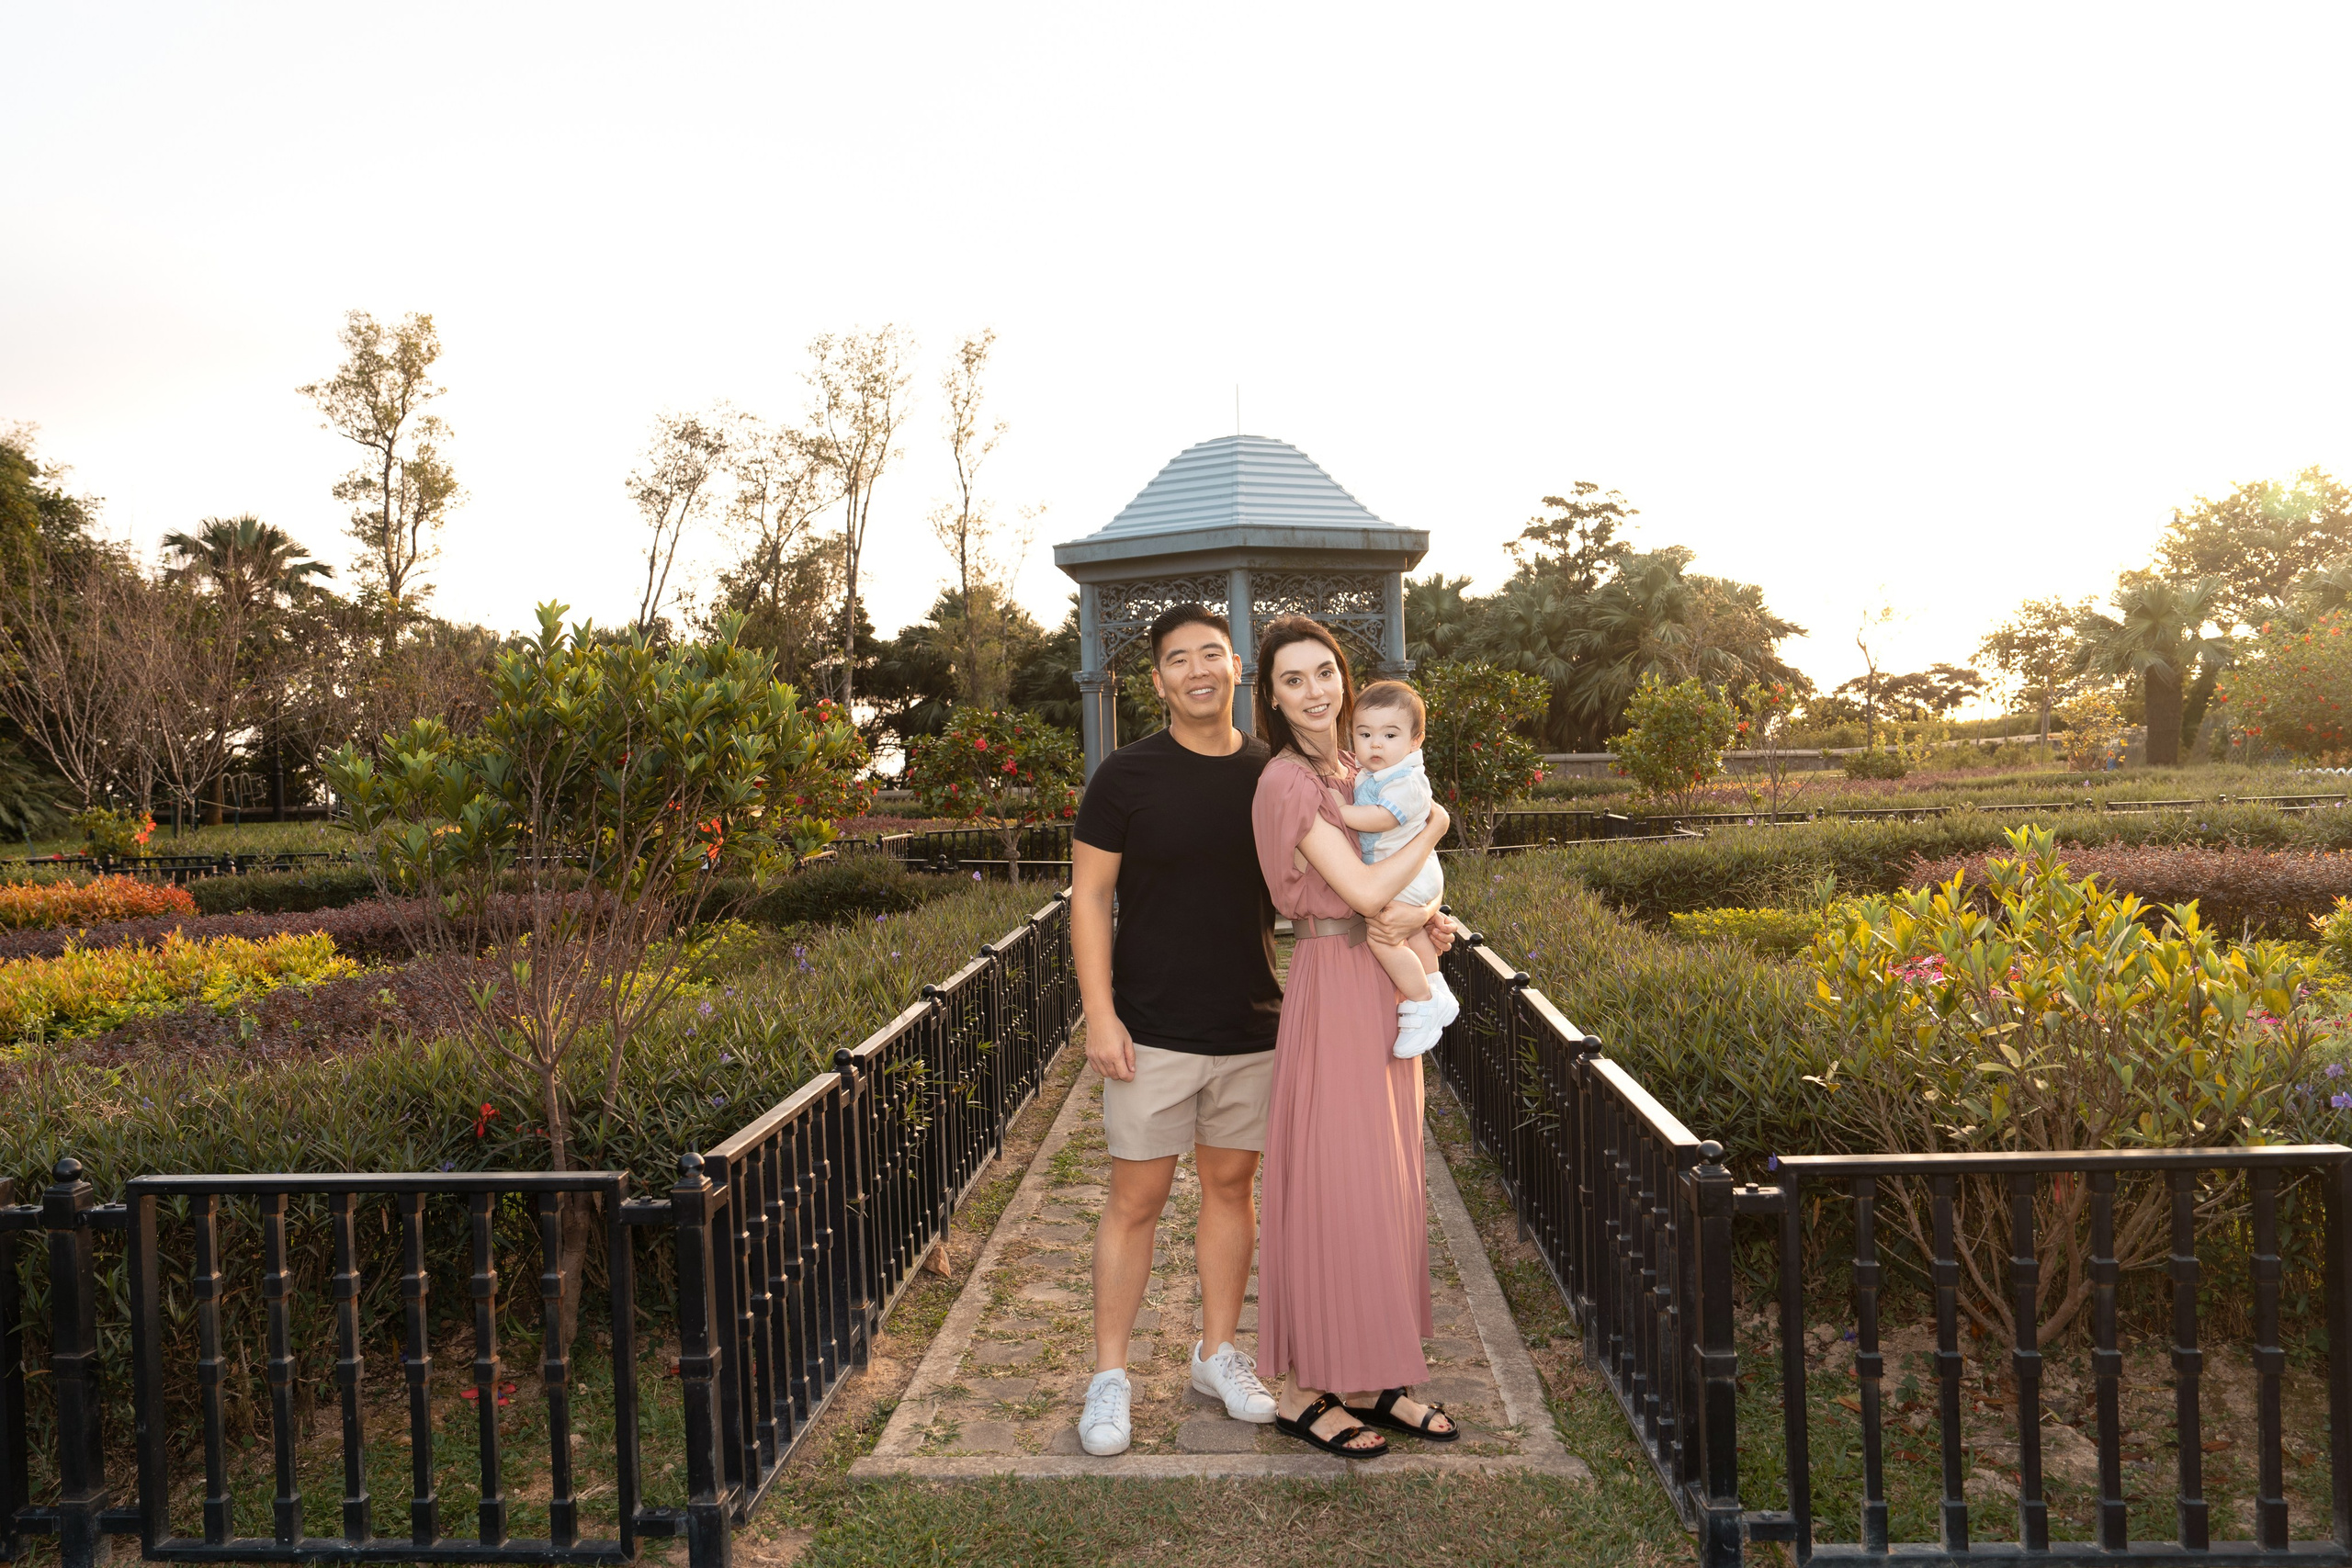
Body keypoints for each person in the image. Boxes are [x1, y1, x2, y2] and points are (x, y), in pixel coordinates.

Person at [1067, 604, 1283, 1457]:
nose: (1196, 670)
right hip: (1149, 1030)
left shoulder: (1273, 773)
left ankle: (1217, 1354)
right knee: (1137, 1200)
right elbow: (1088, 897)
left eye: (1210, 654)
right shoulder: (1123, 777)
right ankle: (1110, 1375)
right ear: (1157, 681)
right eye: (1177, 660)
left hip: (1250, 1026)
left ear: (1236, 668)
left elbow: (1329, 875)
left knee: (1233, 1190)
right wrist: (1100, 1013)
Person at [1250, 616, 1462, 1458]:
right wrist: (1438, 829)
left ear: (1345, 676)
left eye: (1325, 672)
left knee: (1386, 1180)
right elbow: (1366, 891)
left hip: (1382, 986)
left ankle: (1372, 1376)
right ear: (1270, 695)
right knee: (1332, 1180)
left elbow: (1393, 890)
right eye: (1293, 679)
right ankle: (1302, 1391)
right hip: (1334, 985)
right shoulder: (1288, 783)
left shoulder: (1358, 767)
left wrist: (1428, 917)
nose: (1315, 691)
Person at [1327, 679, 1459, 1057]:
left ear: (1416, 740)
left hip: (1409, 876)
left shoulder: (1408, 780)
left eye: (1389, 734)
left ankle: (1422, 999)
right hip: (1409, 872)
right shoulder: (1376, 772)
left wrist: (1341, 810)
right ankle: (1435, 985)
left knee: (1382, 935)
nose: (1376, 744)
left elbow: (1384, 818)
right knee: (1412, 931)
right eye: (1364, 734)